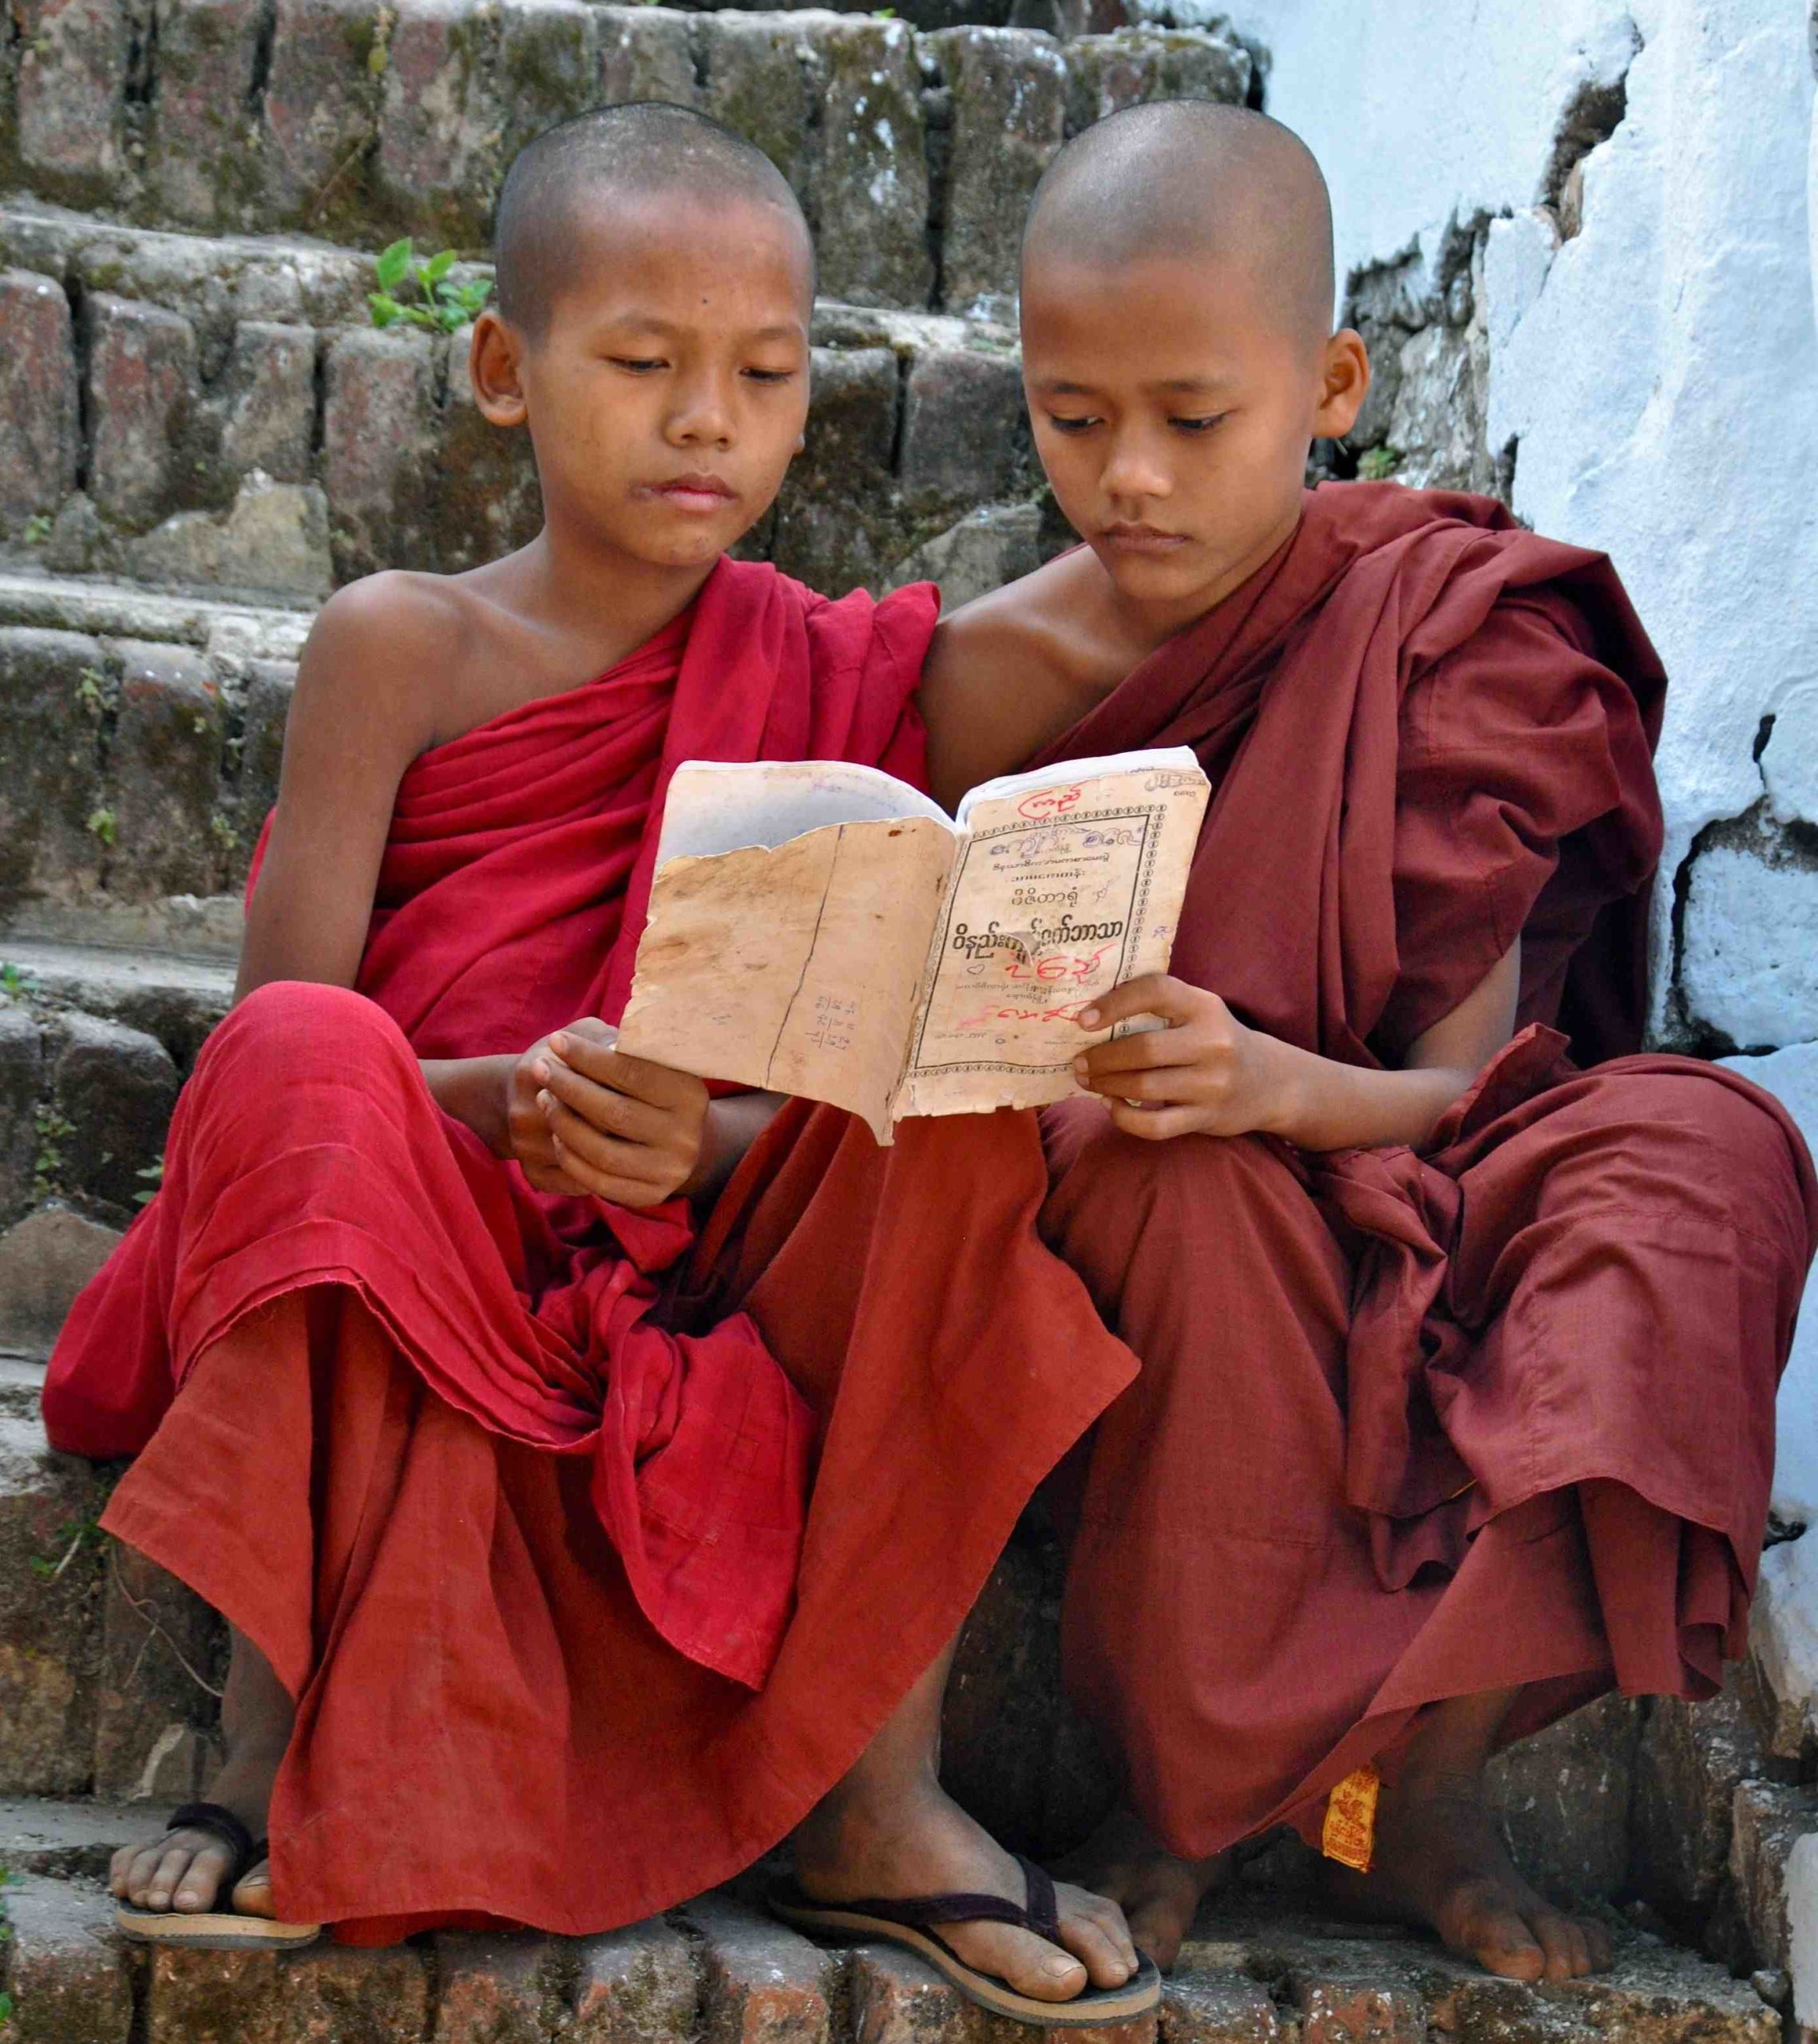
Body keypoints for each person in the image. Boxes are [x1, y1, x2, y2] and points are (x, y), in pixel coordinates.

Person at [43, 103, 1152, 2018]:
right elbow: (273, 1042)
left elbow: (1120, 600)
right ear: (503, 368)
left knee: (960, 1098)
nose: (705, 418)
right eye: (642, 365)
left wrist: (704, 1145)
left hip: (692, 1241)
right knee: (303, 1053)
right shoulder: (399, 643)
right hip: (427, 1225)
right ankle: (264, 1739)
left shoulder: (832, 664)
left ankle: (877, 1800)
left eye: (764, 373)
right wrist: (534, 1101)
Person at [917, 100, 1818, 1986]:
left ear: (1327, 380)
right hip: (1169, 1197)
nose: (1128, 480)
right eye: (1070, 420)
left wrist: (1267, 1077)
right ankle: (1172, 1798)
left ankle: (1431, 1785)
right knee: (1179, 1184)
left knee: (1701, 1163)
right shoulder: (996, 671)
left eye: (1192, 415)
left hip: (1397, 1150)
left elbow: (1466, 1094)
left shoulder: (1440, 629)